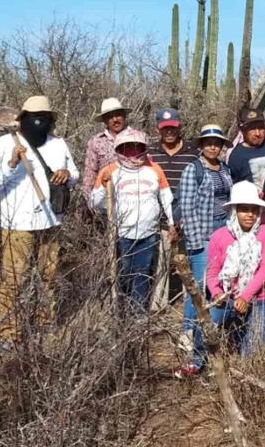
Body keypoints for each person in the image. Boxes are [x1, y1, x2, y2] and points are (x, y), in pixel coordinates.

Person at [0, 95, 78, 343]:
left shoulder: (58, 144)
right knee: (14, 280)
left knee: (48, 276)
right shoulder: (4, 145)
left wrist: (66, 174)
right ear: (22, 119)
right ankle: (8, 334)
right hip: (18, 225)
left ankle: (44, 323)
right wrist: (12, 163)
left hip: (51, 221)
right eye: (34, 118)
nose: (39, 122)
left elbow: (75, 175)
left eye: (44, 118)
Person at [91, 130, 175, 315]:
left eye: (137, 146)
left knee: (142, 275)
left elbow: (166, 197)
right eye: (127, 147)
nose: (133, 151)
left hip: (148, 234)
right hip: (121, 235)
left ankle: (138, 315)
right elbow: (95, 202)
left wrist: (171, 222)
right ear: (119, 148)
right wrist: (103, 188)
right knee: (123, 274)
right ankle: (121, 313)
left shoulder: (154, 169)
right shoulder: (110, 170)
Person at [175, 124, 233, 378]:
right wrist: (196, 240)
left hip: (223, 231)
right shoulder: (193, 170)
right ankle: (188, 331)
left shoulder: (225, 169)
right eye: (208, 142)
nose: (213, 146)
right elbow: (186, 208)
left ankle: (206, 331)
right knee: (198, 285)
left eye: (217, 143)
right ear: (201, 145)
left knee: (215, 284)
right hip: (202, 233)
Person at [199, 181, 265, 360]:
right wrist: (218, 293)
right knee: (204, 328)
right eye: (244, 209)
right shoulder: (219, 236)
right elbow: (212, 272)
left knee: (253, 351)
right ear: (234, 211)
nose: (250, 215)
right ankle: (196, 362)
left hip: (257, 298)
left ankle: (245, 373)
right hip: (226, 297)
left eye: (254, 209)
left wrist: (246, 296)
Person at [148, 107, 200, 310]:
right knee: (160, 264)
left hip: (188, 219)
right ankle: (158, 305)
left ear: (180, 128)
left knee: (189, 265)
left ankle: (191, 304)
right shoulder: (150, 153)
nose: (169, 132)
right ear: (157, 129)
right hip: (159, 220)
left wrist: (182, 219)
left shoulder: (193, 153)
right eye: (165, 128)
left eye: (173, 128)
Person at [82, 97, 134, 206]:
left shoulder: (137, 138)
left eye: (118, 115)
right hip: (106, 201)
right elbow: (89, 175)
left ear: (124, 116)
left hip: (134, 199)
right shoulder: (95, 142)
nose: (115, 119)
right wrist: (90, 204)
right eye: (110, 117)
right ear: (105, 120)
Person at [227, 107, 265, 190]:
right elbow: (234, 186)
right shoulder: (236, 155)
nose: (257, 133)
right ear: (243, 130)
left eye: (260, 128)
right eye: (252, 128)